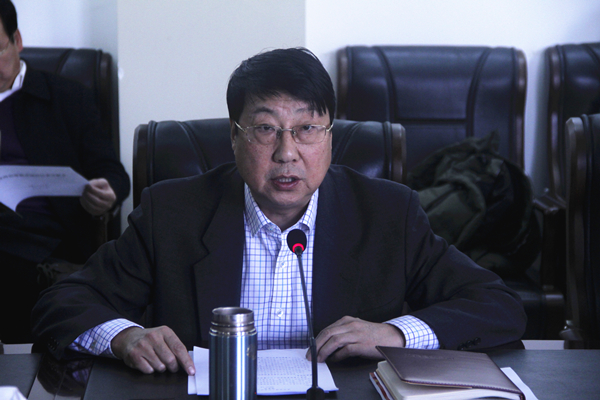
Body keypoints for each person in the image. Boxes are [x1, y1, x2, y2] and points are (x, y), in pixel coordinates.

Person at [32, 47, 526, 375]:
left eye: (307, 129)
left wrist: (394, 333)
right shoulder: (172, 212)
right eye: (265, 129)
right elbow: (62, 303)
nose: (288, 153)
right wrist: (124, 337)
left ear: (330, 136)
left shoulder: (387, 214)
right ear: (234, 136)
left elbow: (497, 305)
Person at [0, 0, 130, 343]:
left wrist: (106, 194)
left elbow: (113, 173)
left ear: (17, 40)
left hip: (50, 238)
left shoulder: (67, 98)